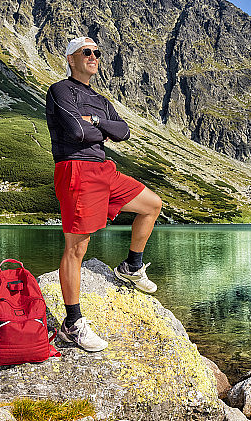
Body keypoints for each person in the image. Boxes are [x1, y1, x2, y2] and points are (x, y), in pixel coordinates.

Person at [46, 36, 163, 352]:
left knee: (152, 205)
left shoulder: (99, 98)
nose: (94, 56)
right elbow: (75, 132)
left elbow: (123, 131)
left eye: (97, 53)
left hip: (104, 169)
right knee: (76, 248)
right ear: (71, 59)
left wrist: (97, 120)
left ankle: (131, 266)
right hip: (76, 169)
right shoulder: (60, 90)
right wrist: (102, 129)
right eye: (87, 52)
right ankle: (72, 323)